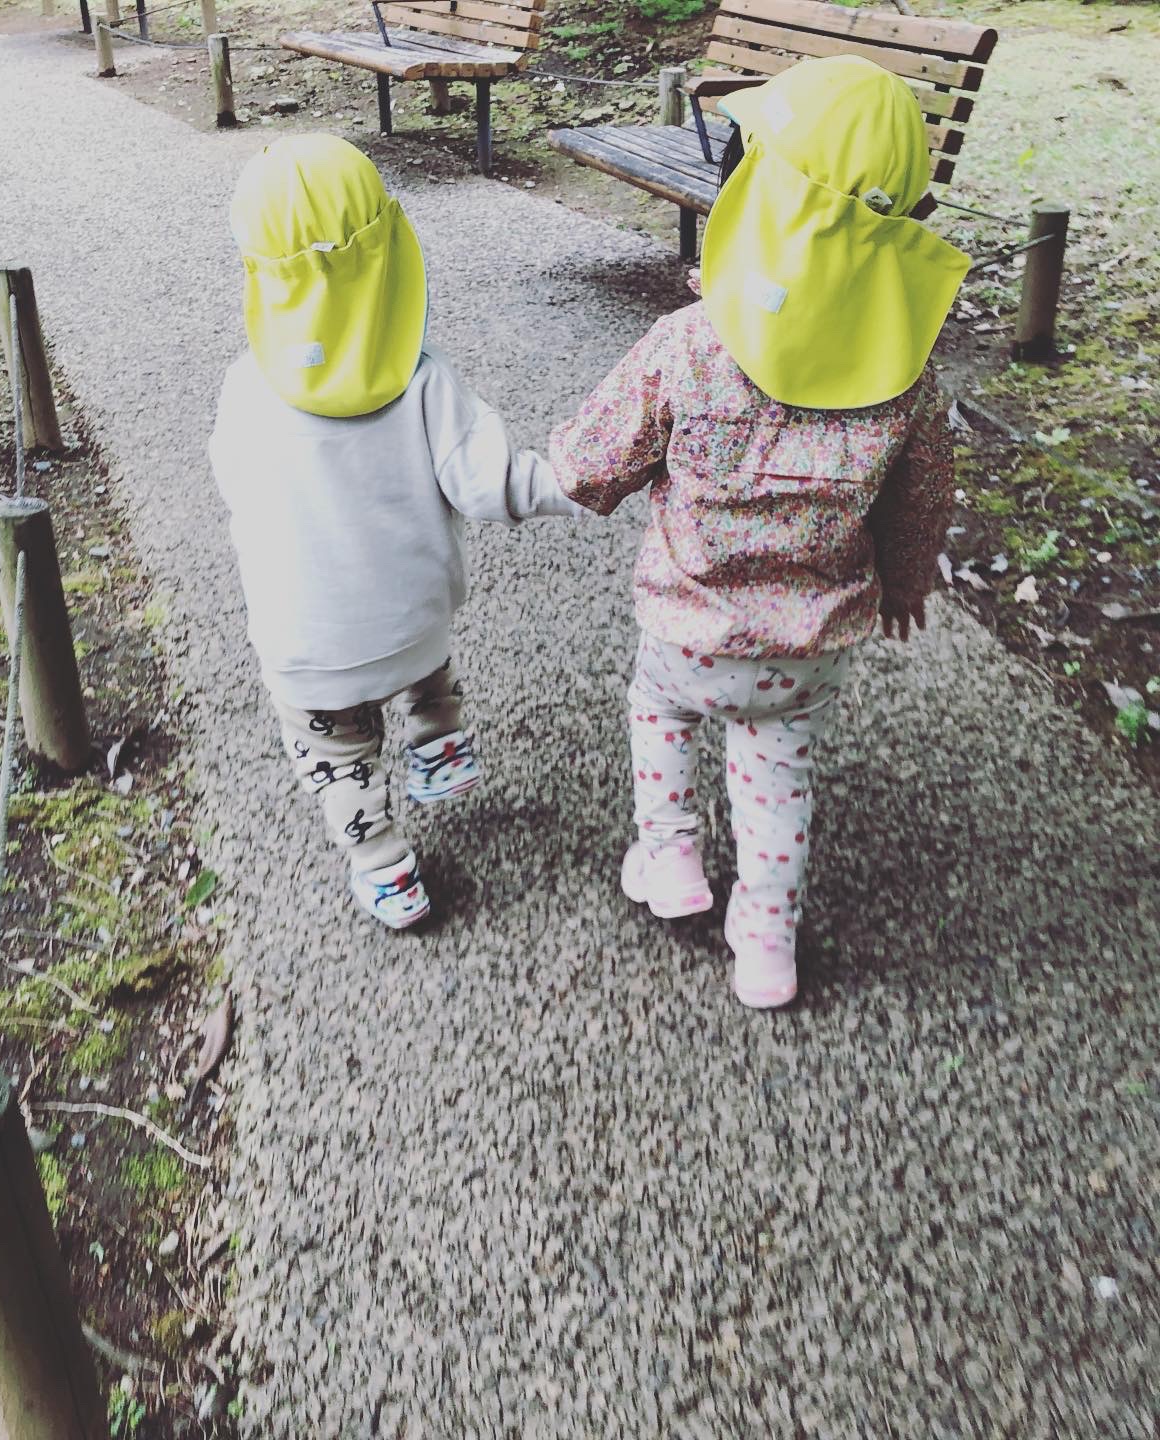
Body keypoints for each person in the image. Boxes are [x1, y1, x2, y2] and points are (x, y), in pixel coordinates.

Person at [550, 56, 969, 1007]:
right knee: (778, 775)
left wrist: (568, 474)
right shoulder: (907, 378)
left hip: (687, 633)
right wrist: (905, 586)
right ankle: (768, 938)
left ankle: (669, 854)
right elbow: (922, 504)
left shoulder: (689, 344)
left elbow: (589, 463)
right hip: (805, 654)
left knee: (659, 712)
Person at [210, 134, 585, 929]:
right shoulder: (423, 379)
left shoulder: (244, 392)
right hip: (417, 630)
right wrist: (590, 480)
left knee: (337, 756)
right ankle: (438, 734)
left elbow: (233, 486)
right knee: (413, 627)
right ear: (387, 255)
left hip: (308, 651)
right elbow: (494, 486)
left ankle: (385, 868)